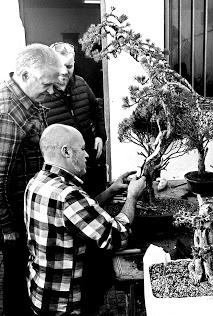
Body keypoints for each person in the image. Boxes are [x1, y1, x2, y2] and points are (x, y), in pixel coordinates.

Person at [24, 123, 146, 315]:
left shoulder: (38, 181)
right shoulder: (68, 195)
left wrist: (111, 190)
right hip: (64, 305)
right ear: (66, 152)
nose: (87, 154)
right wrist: (132, 196)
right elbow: (117, 238)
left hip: (40, 293)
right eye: (81, 149)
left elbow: (77, 217)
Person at [0, 43, 62, 316]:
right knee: (16, 280)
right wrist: (7, 227)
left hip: (28, 208)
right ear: (25, 75)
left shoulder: (28, 101)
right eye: (47, 84)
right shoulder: (8, 115)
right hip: (14, 219)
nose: (51, 92)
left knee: (27, 275)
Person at [41, 41, 107, 197]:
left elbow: (96, 110)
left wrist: (100, 135)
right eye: (60, 66)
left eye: (69, 66)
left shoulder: (81, 83)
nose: (64, 72)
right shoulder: (41, 94)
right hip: (65, 168)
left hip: (89, 157)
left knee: (98, 198)